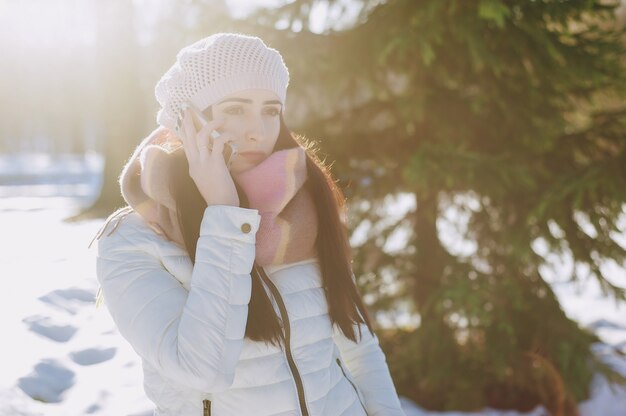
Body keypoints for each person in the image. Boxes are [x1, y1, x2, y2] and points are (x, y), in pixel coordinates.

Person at [93, 33, 405, 416]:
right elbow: (201, 370)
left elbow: (359, 346)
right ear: (188, 120)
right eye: (236, 109)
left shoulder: (304, 205)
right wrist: (224, 212)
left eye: (271, 110)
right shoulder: (134, 239)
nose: (258, 129)